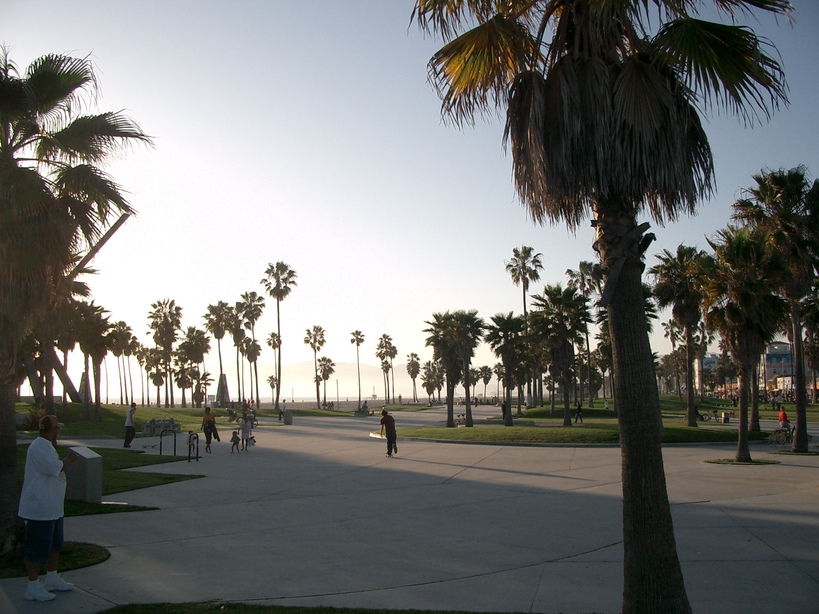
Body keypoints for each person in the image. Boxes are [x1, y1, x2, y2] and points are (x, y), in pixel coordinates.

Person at [18, 415, 79, 602]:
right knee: (36, 548)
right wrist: (68, 460)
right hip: (39, 508)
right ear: (49, 429)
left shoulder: (47, 446)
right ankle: (33, 586)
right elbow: (52, 467)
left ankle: (52, 578)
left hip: (53, 507)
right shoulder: (38, 446)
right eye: (56, 427)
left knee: (55, 545)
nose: (57, 430)